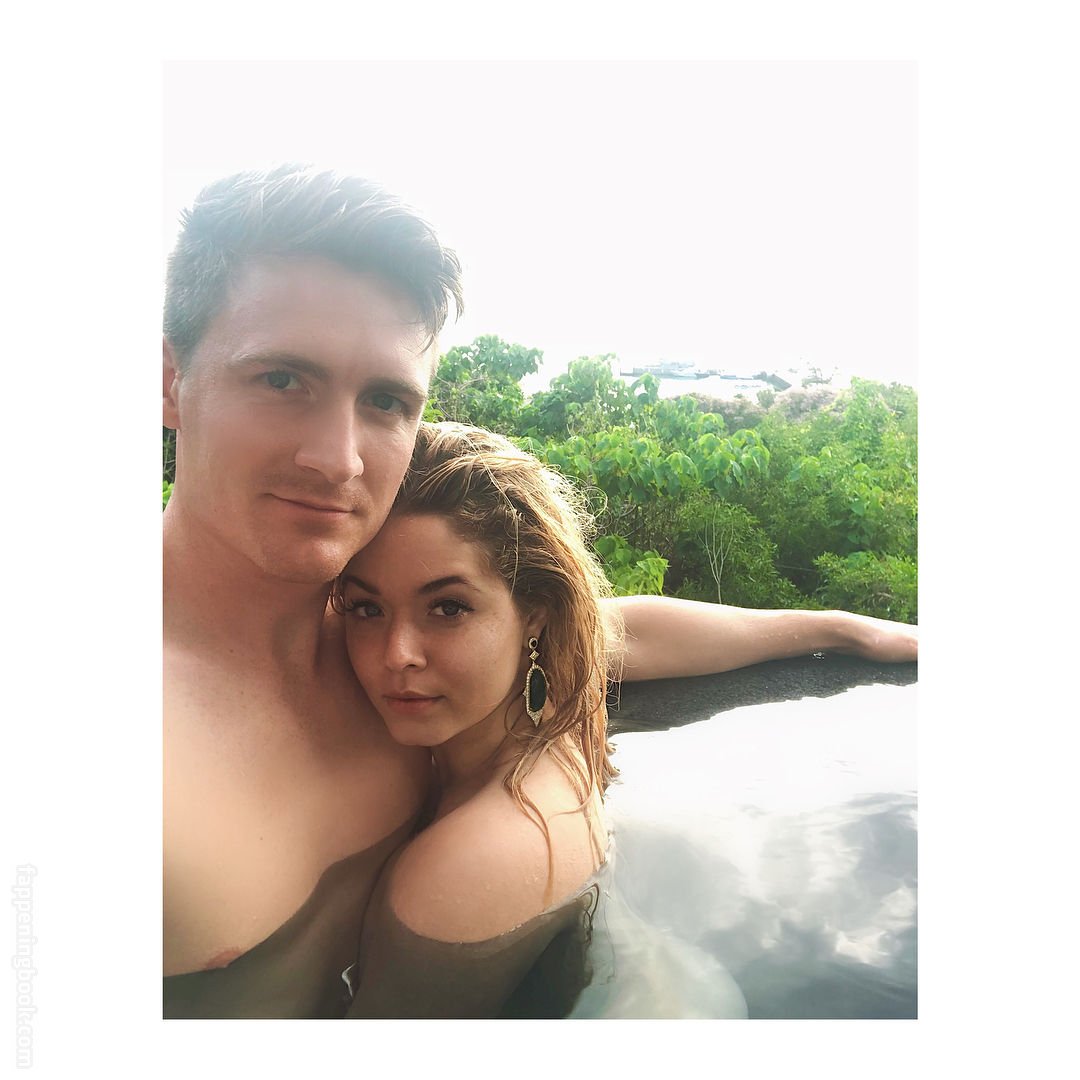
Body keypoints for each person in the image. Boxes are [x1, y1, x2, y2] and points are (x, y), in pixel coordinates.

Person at [162, 164, 917, 1018]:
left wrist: (836, 628)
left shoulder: (358, 632)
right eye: (281, 380)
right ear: (168, 380)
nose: (338, 460)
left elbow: (602, 629)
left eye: (386, 400)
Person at [333, 421, 615, 1017]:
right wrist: (819, 628)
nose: (397, 655)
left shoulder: (467, 867)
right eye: (366, 608)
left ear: (535, 613)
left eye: (447, 607)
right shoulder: (556, 720)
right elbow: (639, 626)